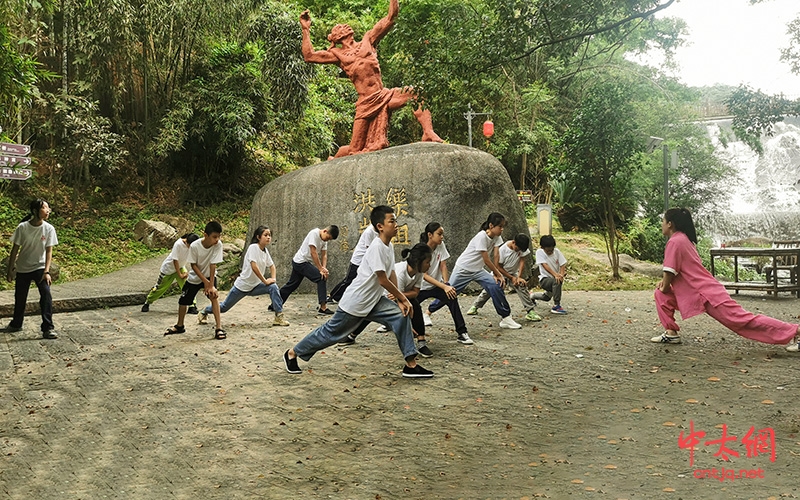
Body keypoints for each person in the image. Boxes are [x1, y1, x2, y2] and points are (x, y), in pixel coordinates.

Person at [283, 205, 433, 378]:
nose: (396, 224)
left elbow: (391, 273)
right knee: (329, 334)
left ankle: (411, 365)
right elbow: (382, 279)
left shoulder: (388, 247)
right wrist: (403, 298)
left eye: (396, 221)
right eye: (391, 221)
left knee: (401, 315)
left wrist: (400, 300)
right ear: (380, 226)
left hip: (374, 301)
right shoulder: (376, 247)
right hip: (356, 303)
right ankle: (292, 353)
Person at [299, 0, 442, 157]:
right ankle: (335, 157)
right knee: (354, 149)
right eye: (340, 27)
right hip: (365, 104)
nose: (346, 26)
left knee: (415, 93)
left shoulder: (368, 40)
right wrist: (305, 29)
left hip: (383, 95)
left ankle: (428, 132)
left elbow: (390, 18)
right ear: (336, 37)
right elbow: (309, 56)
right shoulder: (337, 55)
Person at [652, 208, 800, 351]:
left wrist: (664, 286)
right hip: (701, 291)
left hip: (706, 294)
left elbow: (670, 272)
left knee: (743, 321)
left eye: (663, 221)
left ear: (670, 223)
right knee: (661, 294)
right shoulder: (684, 240)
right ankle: (671, 333)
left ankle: (796, 331)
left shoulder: (675, 242)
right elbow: (675, 273)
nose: (661, 224)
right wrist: (664, 286)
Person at [428, 213, 523, 330]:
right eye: (500, 227)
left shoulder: (497, 237)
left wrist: (498, 274)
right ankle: (428, 312)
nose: (502, 229)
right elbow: (486, 259)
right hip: (464, 268)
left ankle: (506, 317)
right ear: (491, 225)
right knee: (451, 292)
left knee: (496, 286)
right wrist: (498, 274)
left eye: (503, 226)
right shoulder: (481, 237)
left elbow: (496, 256)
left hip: (478, 270)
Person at [340, 243, 435, 358]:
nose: (429, 266)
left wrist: (403, 296)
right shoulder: (400, 272)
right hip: (384, 296)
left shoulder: (419, 272)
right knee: (369, 312)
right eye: (427, 262)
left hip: (399, 296)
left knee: (414, 304)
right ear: (418, 262)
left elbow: (415, 292)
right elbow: (395, 296)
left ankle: (421, 342)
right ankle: (351, 335)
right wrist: (409, 325)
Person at [197, 225, 290, 327]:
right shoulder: (253, 248)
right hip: (242, 286)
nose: (268, 237)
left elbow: (272, 266)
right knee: (223, 307)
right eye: (265, 235)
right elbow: (254, 267)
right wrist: (265, 281)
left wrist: (273, 279)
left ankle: (278, 316)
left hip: (255, 286)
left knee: (273, 287)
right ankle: (204, 311)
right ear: (258, 237)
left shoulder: (265, 251)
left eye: (269, 235)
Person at [5, 199, 58, 339]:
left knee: (46, 294)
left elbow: (49, 251)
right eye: (45, 208)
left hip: (40, 267)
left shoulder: (49, 229)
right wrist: (10, 269)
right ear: (35, 211)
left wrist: (47, 271)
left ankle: (48, 327)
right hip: (23, 267)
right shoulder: (22, 228)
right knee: (20, 297)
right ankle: (17, 323)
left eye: (48, 208)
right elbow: (14, 250)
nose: (48, 210)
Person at [164, 221, 225, 339]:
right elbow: (194, 265)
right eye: (214, 237)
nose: (217, 240)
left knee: (214, 297)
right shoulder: (195, 246)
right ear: (205, 235)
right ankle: (180, 325)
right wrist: (205, 282)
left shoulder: (218, 245)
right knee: (183, 301)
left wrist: (210, 284)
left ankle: (219, 328)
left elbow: (213, 265)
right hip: (195, 276)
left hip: (210, 276)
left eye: (219, 236)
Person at [415, 222, 472, 344]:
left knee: (452, 297)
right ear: (430, 235)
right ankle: (392, 324)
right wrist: (443, 286)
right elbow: (423, 275)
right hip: (419, 286)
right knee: (410, 306)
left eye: (442, 234)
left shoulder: (441, 246)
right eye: (439, 234)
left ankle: (462, 332)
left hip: (436, 285)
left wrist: (447, 284)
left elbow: (443, 265)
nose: (442, 237)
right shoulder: (421, 249)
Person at [468, 233, 542, 322]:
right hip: (500, 274)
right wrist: (511, 278)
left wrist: (518, 277)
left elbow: (522, 260)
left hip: (513, 273)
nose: (519, 251)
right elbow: (499, 267)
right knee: (489, 290)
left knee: (521, 286)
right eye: (517, 249)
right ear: (514, 242)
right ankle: (475, 306)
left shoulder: (522, 247)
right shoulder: (503, 250)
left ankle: (530, 311)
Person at [278, 225, 339, 314]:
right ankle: (323, 307)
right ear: (325, 231)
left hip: (301, 262)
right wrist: (320, 269)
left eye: (329, 239)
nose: (327, 240)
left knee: (292, 285)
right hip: (301, 262)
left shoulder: (324, 240)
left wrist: (324, 268)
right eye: (328, 238)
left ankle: (275, 304)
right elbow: (313, 252)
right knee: (321, 277)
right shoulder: (314, 234)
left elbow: (324, 255)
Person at [141, 233, 200, 313]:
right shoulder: (178, 244)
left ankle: (192, 306)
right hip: (168, 269)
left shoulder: (193, 246)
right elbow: (175, 260)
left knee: (188, 286)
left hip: (181, 267)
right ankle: (147, 302)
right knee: (160, 288)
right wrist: (180, 274)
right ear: (187, 242)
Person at [327, 223, 378, 303]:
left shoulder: (380, 231)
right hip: (358, 260)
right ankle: (332, 296)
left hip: (366, 261)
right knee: (349, 280)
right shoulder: (369, 231)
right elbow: (369, 249)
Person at [531, 234, 568, 314]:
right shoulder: (539, 252)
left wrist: (561, 274)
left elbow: (562, 264)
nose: (550, 252)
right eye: (548, 251)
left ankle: (532, 296)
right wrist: (555, 275)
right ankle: (556, 306)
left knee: (546, 297)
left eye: (552, 250)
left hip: (555, 279)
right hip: (544, 279)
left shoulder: (557, 252)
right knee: (556, 281)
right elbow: (545, 265)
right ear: (542, 248)